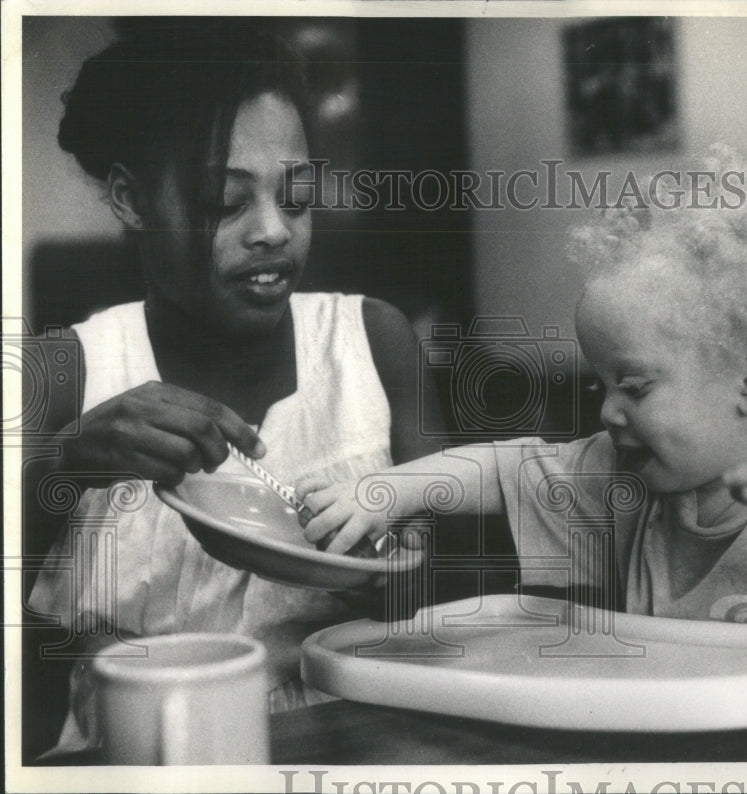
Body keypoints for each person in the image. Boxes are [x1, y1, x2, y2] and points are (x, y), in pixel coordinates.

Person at [298, 150, 747, 646]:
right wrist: (384, 493)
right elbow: (499, 471)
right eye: (601, 384)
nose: (608, 412)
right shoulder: (621, 474)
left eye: (634, 386)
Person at [25, 21, 443, 754]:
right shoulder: (67, 372)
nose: (274, 231)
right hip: (134, 756)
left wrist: (405, 563)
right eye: (226, 198)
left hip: (348, 746)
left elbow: (448, 605)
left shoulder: (375, 342)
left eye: (298, 195)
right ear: (130, 199)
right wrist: (60, 466)